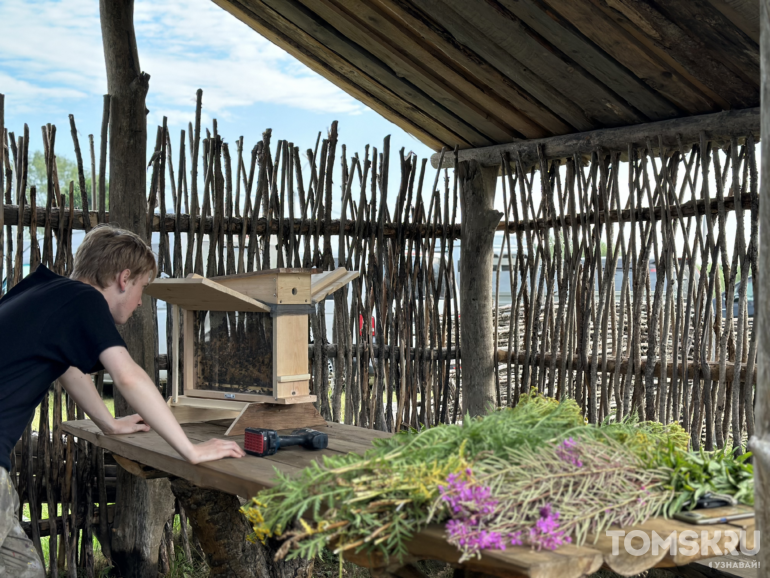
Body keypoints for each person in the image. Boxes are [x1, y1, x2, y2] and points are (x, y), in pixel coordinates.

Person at [0, 225, 245, 577]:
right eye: (143, 287)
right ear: (123, 278)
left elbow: (66, 366)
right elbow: (128, 376)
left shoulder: (41, 289)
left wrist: (109, 423)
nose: (141, 301)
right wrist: (191, 451)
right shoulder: (86, 300)